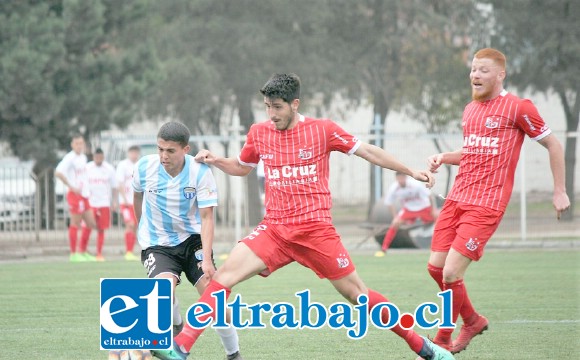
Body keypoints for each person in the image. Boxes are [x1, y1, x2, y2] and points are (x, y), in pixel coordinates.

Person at [154, 73, 453, 360]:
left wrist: (411, 171)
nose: (271, 113)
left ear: (295, 104)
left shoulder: (323, 130)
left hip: (316, 232)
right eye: (268, 106)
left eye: (278, 107)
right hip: (274, 230)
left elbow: (369, 152)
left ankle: (424, 347)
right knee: (221, 279)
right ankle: (181, 347)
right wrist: (217, 160)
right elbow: (243, 166)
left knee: (358, 296)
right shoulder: (259, 133)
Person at [421, 48, 570, 356]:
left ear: (500, 74)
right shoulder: (469, 109)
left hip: (486, 204)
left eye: (483, 70)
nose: (475, 75)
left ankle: (442, 340)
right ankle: (473, 320)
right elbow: (474, 152)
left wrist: (560, 190)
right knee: (435, 269)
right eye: (474, 69)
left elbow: (553, 144)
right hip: (457, 199)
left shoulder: (518, 108)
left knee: (451, 274)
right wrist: (444, 157)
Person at [133, 122, 243, 360]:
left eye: (170, 151)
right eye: (160, 149)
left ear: (185, 149)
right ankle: (176, 325)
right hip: (158, 243)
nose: (163, 156)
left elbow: (207, 218)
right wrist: (140, 228)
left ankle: (233, 354)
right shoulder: (143, 167)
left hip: (193, 241)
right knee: (163, 290)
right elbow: (136, 194)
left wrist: (208, 259)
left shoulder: (200, 171)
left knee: (214, 299)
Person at [55, 134, 98, 262]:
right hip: (75, 195)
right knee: (75, 223)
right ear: (72, 144)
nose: (79, 146)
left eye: (81, 143)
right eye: (77, 143)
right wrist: (71, 186)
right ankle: (73, 254)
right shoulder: (69, 158)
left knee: (90, 223)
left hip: (84, 195)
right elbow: (58, 172)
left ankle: (82, 251)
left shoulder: (83, 157)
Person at [374, 171, 436, 257]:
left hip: (423, 207)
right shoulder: (394, 187)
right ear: (396, 178)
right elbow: (389, 203)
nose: (401, 180)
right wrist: (395, 216)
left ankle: (440, 246)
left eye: (402, 178)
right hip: (408, 209)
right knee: (395, 223)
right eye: (399, 178)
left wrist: (433, 210)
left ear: (405, 177)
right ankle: (384, 249)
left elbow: (429, 196)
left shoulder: (415, 185)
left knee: (438, 219)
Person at [79, 148, 117, 261]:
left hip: (104, 203)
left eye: (100, 157)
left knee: (101, 229)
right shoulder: (87, 168)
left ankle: (99, 253)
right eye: (96, 157)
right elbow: (82, 184)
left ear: (103, 157)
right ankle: (82, 251)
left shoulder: (109, 169)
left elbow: (114, 186)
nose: (98, 160)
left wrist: (114, 201)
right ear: (93, 157)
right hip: (90, 203)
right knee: (87, 227)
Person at [115, 145, 141, 261]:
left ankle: (130, 251)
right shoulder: (122, 165)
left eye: (136, 153)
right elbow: (119, 183)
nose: (134, 155)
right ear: (129, 153)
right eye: (132, 152)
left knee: (135, 226)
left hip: (135, 202)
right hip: (125, 203)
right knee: (129, 224)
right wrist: (124, 198)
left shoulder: (140, 165)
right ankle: (128, 251)